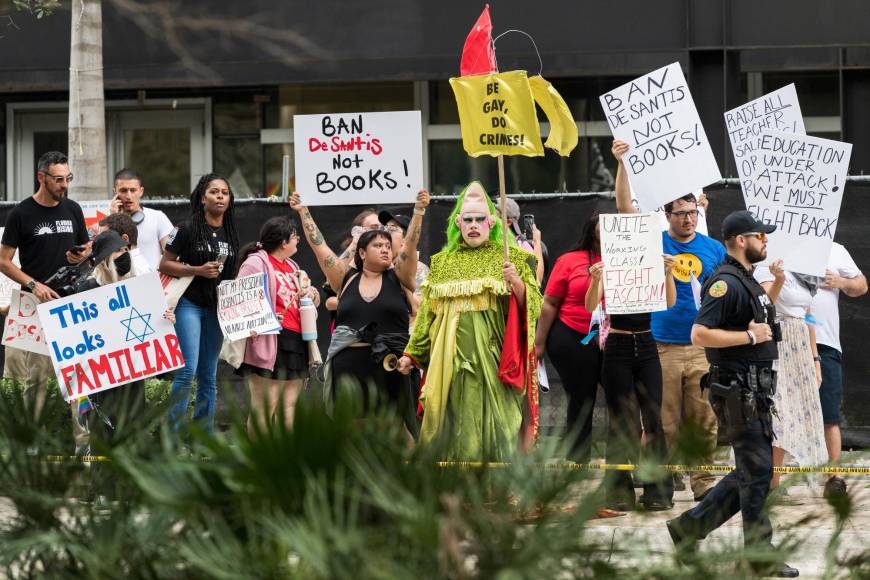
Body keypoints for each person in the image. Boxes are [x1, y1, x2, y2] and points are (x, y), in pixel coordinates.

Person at [666, 210, 798, 579]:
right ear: (741, 240)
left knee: (753, 471)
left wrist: (776, 283)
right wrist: (750, 336)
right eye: (760, 236)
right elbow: (699, 333)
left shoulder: (746, 279)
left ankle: (689, 527)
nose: (765, 241)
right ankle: (758, 554)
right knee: (757, 473)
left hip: (753, 389)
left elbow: (759, 312)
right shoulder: (724, 282)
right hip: (738, 389)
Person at [397, 182, 543, 460]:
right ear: (458, 223)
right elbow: (427, 313)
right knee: (454, 423)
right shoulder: (442, 263)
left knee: (502, 423)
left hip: (496, 360)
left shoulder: (514, 258)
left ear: (491, 223)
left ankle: (499, 479)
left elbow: (535, 307)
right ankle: (460, 481)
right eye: (468, 220)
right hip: (449, 362)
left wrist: (517, 283)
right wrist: (411, 354)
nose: (474, 225)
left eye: (479, 219)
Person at [612, 139, 725, 500]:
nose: (688, 219)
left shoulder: (713, 248)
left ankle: (704, 482)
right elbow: (624, 209)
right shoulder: (654, 239)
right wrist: (622, 164)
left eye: (692, 212)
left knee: (704, 419)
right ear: (667, 215)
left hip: (701, 346)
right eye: (680, 213)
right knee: (665, 421)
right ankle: (666, 478)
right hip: (662, 345)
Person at [290, 190, 426, 426]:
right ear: (362, 252)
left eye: (387, 245)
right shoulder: (345, 278)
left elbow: (411, 243)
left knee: (394, 429)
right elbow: (319, 247)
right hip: (349, 366)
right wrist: (303, 212)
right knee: (352, 429)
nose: (385, 249)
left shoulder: (400, 276)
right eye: (377, 245)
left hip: (390, 364)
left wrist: (419, 211)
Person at [585, 210, 677, 511]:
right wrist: (596, 280)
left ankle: (658, 490)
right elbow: (589, 305)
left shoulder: (651, 263)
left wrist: (667, 273)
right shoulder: (607, 267)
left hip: (647, 343)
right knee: (620, 421)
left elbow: (669, 301)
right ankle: (618, 490)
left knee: (653, 419)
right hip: (618, 344)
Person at [0, 151, 91, 438]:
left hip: (71, 303)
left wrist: (80, 257)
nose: (65, 185)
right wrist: (33, 285)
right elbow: (3, 261)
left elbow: (87, 249)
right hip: (36, 304)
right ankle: (32, 442)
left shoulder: (73, 209)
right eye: (59, 179)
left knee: (79, 378)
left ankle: (84, 444)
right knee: (36, 379)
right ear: (41, 177)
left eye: (68, 178)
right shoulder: (21, 213)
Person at [159, 173, 239, 435]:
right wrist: (197, 270)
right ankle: (174, 435)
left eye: (224, 193)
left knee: (209, 374)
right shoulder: (187, 228)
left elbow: (230, 274)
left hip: (216, 308)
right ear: (203, 198)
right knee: (187, 370)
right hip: (189, 304)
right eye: (214, 192)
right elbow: (164, 263)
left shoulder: (231, 232)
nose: (220, 197)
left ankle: (203, 436)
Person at [235, 216, 320, 432]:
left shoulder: (292, 265)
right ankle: (259, 452)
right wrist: (267, 316)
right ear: (283, 242)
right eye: (295, 236)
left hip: (296, 338)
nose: (298, 240)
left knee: (290, 405)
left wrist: (311, 294)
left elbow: (303, 297)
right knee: (265, 405)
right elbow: (239, 300)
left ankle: (287, 451)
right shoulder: (255, 263)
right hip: (270, 340)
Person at [534, 213, 602, 462]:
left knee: (624, 398)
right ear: (592, 230)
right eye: (603, 224)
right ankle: (578, 460)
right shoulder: (569, 261)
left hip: (616, 337)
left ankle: (623, 464)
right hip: (574, 336)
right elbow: (550, 303)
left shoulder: (630, 259)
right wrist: (539, 343)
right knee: (582, 397)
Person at [755, 260, 828, 490]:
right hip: (776, 342)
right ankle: (770, 483)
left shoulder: (805, 273)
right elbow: (765, 304)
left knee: (796, 415)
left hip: (800, 346)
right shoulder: (766, 268)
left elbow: (808, 318)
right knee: (779, 415)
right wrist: (778, 278)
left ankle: (774, 481)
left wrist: (815, 360)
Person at [812, 243, 867, 497]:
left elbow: (861, 285)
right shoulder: (780, 245)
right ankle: (772, 482)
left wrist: (840, 282)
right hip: (787, 340)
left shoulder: (835, 249)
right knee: (782, 415)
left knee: (830, 415)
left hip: (826, 342)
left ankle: (833, 479)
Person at [110, 168, 174, 272]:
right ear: (115, 192)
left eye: (133, 190)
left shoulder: (158, 217)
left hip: (151, 280)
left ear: (141, 191)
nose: (128, 196)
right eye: (123, 190)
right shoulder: (108, 222)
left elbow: (173, 255)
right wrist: (114, 219)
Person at [504, 197, 546, 283]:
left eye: (495, 215)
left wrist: (536, 242)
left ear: (508, 222)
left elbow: (536, 280)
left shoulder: (521, 245)